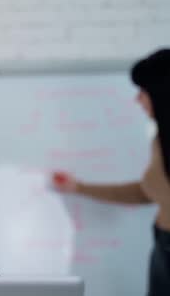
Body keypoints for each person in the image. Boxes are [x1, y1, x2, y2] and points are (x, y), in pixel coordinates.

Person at [52, 49, 170, 296]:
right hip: (162, 245)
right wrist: (79, 187)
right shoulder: (160, 139)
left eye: (143, 91)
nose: (138, 100)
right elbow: (147, 191)